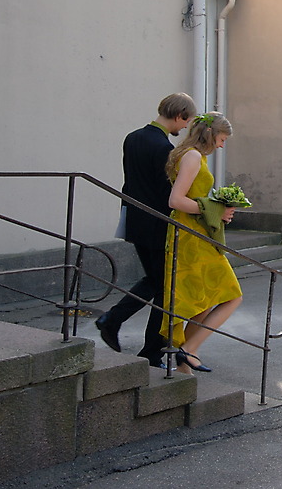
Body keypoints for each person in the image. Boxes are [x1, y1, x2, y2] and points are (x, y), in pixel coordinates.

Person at [96, 92, 196, 367]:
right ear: (179, 115)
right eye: (185, 121)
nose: (185, 126)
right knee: (165, 289)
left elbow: (131, 182)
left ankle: (113, 320)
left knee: (155, 280)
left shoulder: (133, 138)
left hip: (135, 220)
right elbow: (166, 193)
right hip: (157, 224)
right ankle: (151, 351)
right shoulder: (164, 148)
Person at [161, 112, 243, 374]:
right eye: (222, 139)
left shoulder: (193, 155)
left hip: (194, 233)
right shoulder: (193, 157)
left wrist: (216, 209)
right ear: (210, 134)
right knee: (232, 296)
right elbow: (175, 200)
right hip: (190, 236)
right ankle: (190, 349)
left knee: (204, 300)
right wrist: (216, 210)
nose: (222, 145)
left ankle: (184, 366)